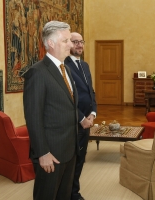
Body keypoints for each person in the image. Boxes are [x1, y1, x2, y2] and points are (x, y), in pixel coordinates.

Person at [23, 21, 79, 200]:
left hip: (69, 149)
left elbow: (69, 107)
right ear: (51, 44)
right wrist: (43, 152)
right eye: (66, 41)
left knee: (64, 195)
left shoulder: (67, 69)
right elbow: (33, 117)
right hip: (51, 153)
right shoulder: (37, 73)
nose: (71, 45)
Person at [65, 32, 97, 200]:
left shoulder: (84, 65)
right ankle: (71, 193)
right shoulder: (64, 65)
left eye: (81, 42)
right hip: (73, 122)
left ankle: (73, 191)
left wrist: (92, 113)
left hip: (87, 120)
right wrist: (81, 118)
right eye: (74, 42)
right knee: (72, 160)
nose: (79, 45)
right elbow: (66, 97)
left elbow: (91, 92)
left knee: (81, 158)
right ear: (68, 44)